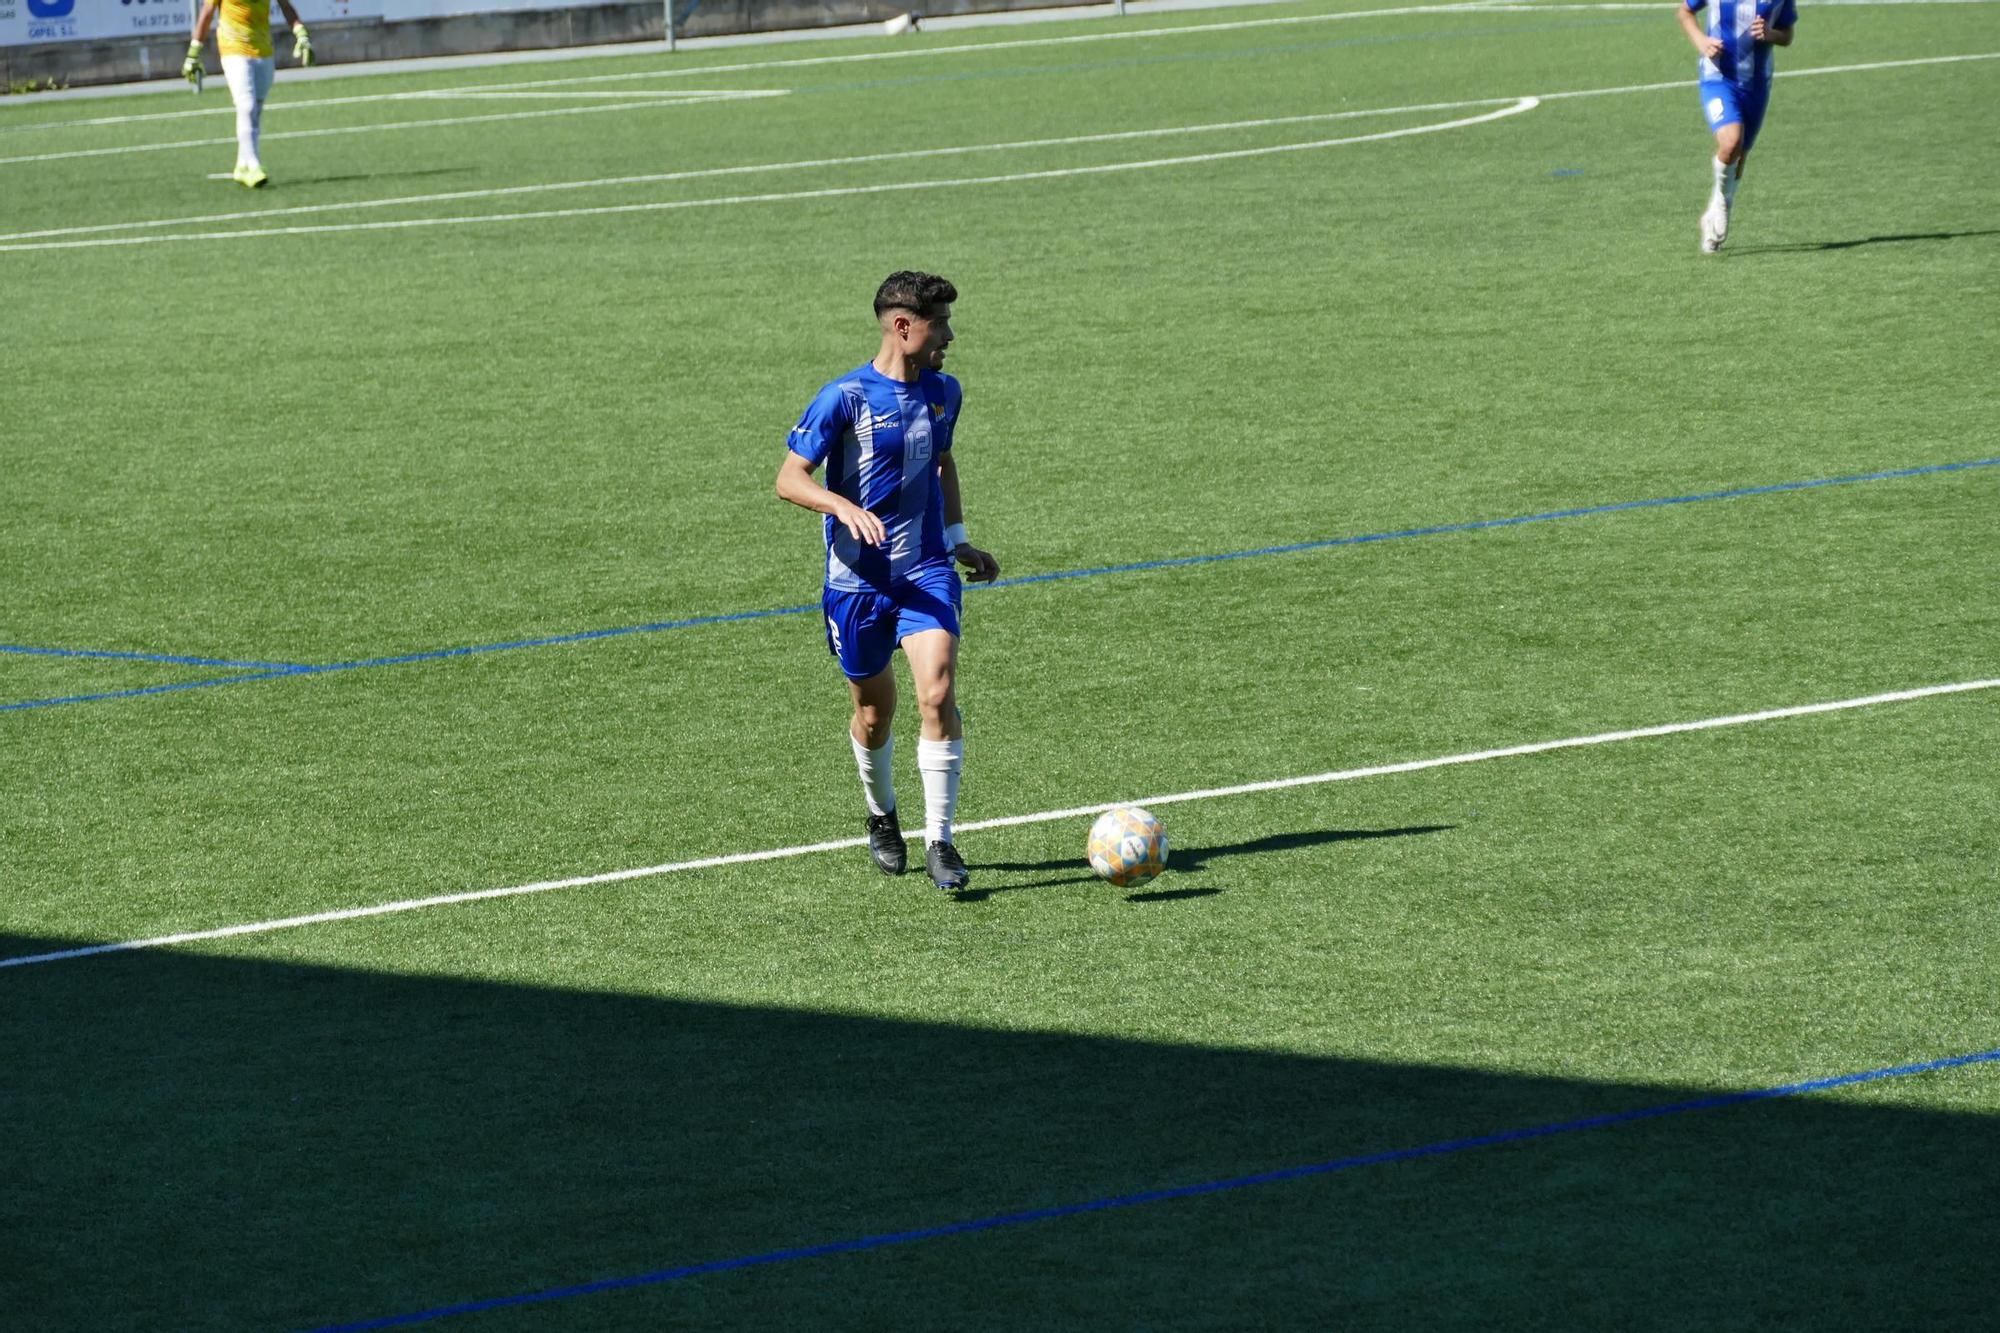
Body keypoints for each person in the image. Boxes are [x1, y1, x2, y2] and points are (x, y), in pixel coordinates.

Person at [777, 272, 1001, 892]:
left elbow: (942, 463)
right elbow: (789, 478)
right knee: (874, 713)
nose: (949, 337)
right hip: (855, 583)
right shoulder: (843, 397)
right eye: (941, 325)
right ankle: (881, 815)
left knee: (937, 692)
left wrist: (958, 542)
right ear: (904, 328)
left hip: (925, 572)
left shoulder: (944, 393)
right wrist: (839, 506)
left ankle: (941, 840)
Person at [1678, 0, 1795, 252]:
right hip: (1717, 78)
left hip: (1756, 85)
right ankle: (1720, 202)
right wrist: (1701, 42)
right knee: (1731, 142)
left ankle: (1721, 203)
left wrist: (1770, 34)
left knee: (1740, 155)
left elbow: (1787, 35)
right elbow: (1685, 12)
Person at [183, 0, 315, 189]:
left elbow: (285, 6)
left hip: (263, 49)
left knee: (255, 110)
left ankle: (242, 165)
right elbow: (207, 12)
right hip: (233, 48)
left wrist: (301, 33)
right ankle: (253, 164)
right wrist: (194, 52)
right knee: (247, 105)